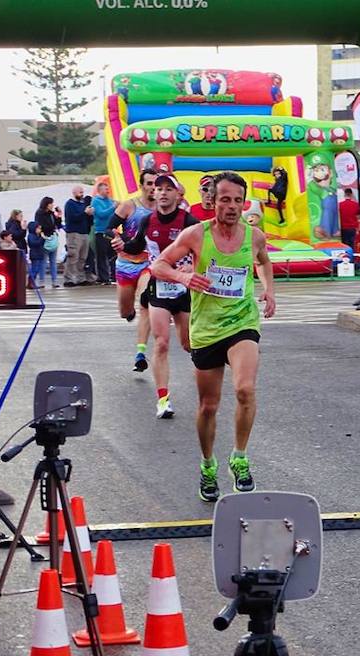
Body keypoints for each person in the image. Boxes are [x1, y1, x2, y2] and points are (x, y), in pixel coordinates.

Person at [151, 171, 275, 502]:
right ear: (212, 201)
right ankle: (208, 464)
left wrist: (269, 291)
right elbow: (158, 266)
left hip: (242, 322)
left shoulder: (254, 236)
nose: (232, 206)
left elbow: (264, 262)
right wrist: (183, 276)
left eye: (237, 200)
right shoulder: (196, 235)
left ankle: (240, 458)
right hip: (206, 328)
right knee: (209, 405)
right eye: (225, 199)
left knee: (245, 389)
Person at [115, 173, 198, 420]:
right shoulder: (146, 221)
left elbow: (204, 252)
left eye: (167, 189)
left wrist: (192, 267)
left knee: (188, 344)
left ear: (177, 194)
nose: (162, 192)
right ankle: (163, 400)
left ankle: (208, 381)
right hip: (158, 289)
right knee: (161, 342)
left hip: (183, 289)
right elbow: (134, 246)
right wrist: (121, 245)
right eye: (158, 188)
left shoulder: (189, 222)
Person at [110, 168, 157, 372]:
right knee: (124, 310)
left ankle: (140, 352)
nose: (154, 188)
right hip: (126, 264)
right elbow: (108, 228)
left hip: (149, 262)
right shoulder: (130, 206)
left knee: (145, 299)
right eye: (149, 184)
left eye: (157, 184)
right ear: (142, 186)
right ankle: (128, 312)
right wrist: (117, 240)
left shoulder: (163, 209)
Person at [63, 186, 94, 286]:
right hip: (74, 233)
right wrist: (84, 213)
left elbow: (86, 219)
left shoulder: (83, 204)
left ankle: (80, 277)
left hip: (84, 232)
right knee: (73, 256)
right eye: (80, 192)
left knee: (82, 257)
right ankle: (69, 279)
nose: (82, 194)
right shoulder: (70, 204)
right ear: (74, 192)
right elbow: (72, 218)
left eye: (82, 192)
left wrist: (90, 215)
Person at [91, 182, 117, 284]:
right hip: (100, 231)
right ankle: (103, 277)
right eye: (106, 189)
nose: (108, 191)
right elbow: (101, 214)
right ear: (100, 190)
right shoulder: (96, 201)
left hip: (111, 231)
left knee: (114, 254)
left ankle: (113, 275)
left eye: (108, 188)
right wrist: (113, 207)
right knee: (102, 255)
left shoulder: (110, 200)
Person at [34, 198, 62, 288]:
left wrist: (59, 216)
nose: (52, 205)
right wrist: (52, 227)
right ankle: (41, 280)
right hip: (44, 239)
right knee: (43, 261)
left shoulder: (51, 214)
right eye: (51, 204)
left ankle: (54, 280)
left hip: (53, 238)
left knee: (53, 261)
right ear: (46, 204)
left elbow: (58, 225)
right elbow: (42, 226)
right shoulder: (39, 213)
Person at [26, 221, 46, 289]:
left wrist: (42, 238)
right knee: (34, 269)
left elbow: (41, 243)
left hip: (39, 253)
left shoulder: (38, 236)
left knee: (37, 269)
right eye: (38, 228)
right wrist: (42, 238)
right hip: (35, 254)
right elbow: (34, 243)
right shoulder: (31, 235)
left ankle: (32, 282)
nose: (40, 230)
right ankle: (30, 282)